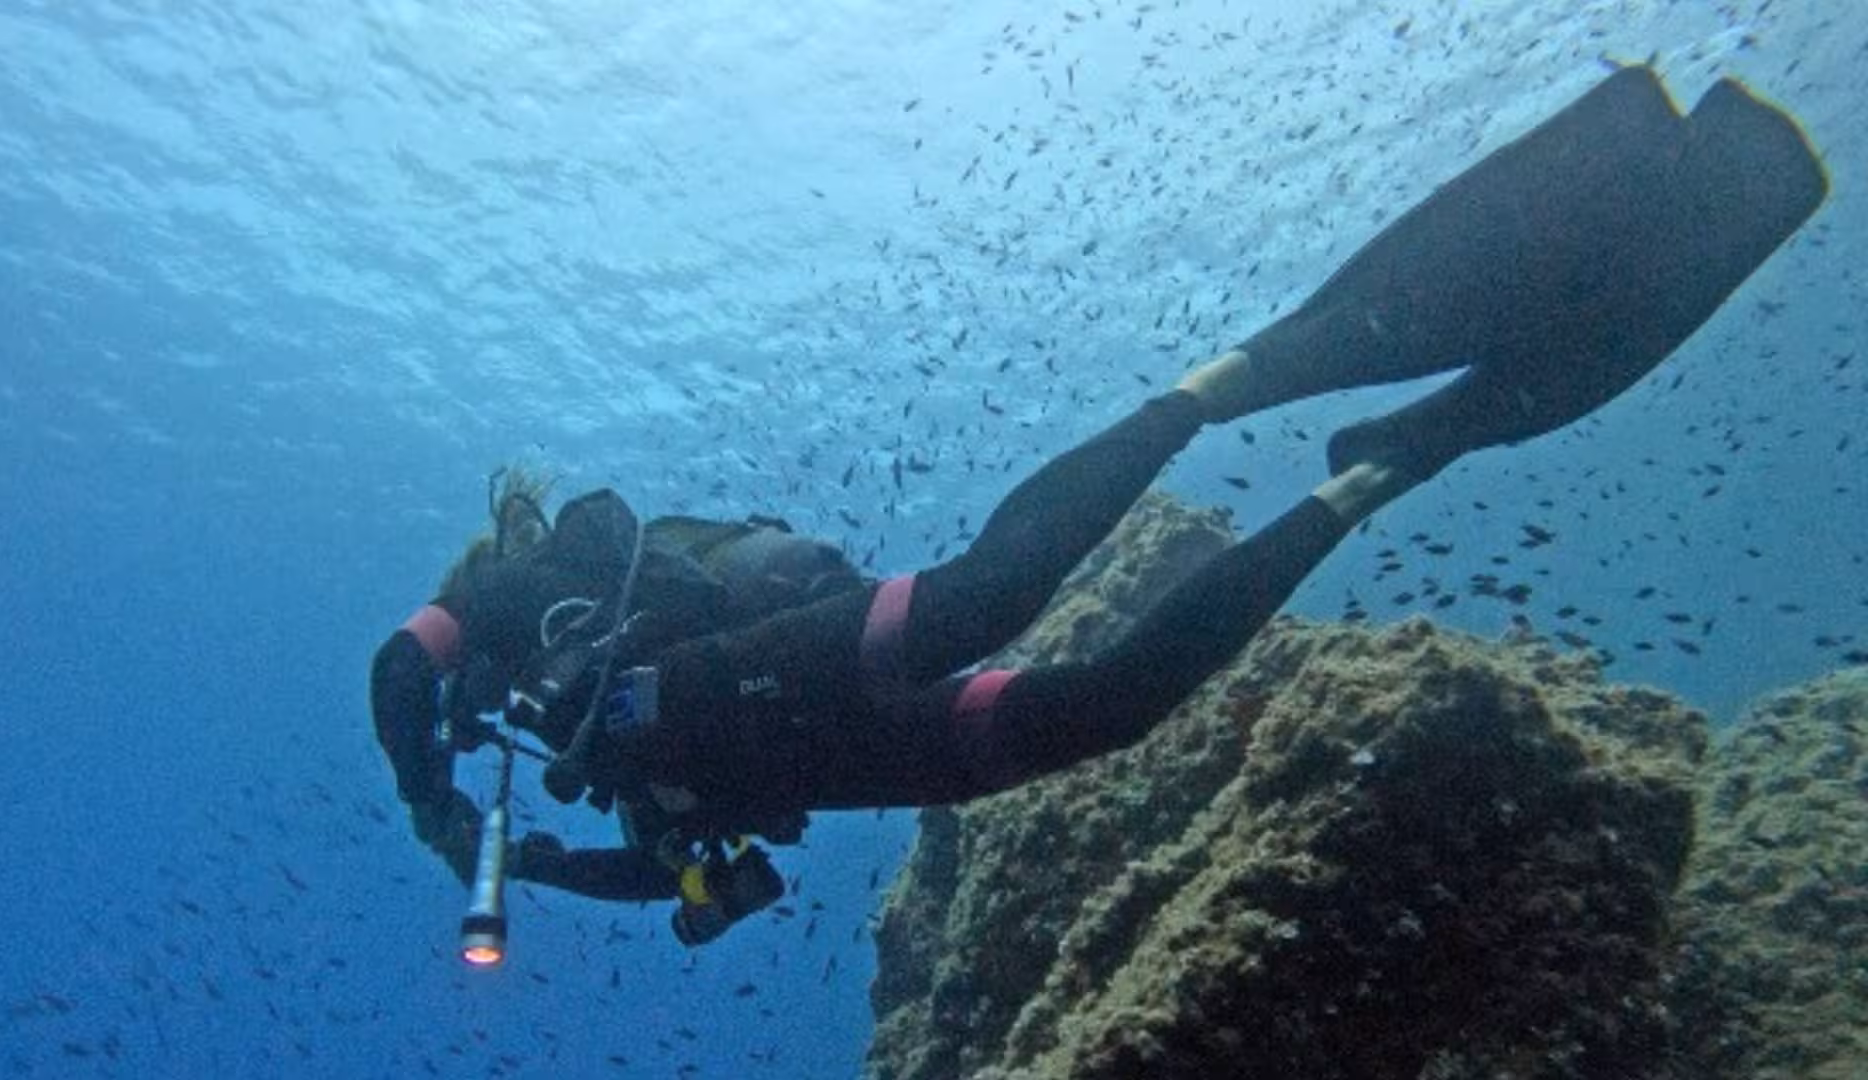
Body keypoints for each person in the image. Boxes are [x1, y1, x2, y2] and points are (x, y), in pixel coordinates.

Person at [371, 67, 1826, 944]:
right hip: (833, 752)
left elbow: (399, 666)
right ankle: (1382, 472)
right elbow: (665, 884)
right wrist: (523, 865)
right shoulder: (602, 778)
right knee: (1113, 703)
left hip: (757, 659)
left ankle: (1219, 383)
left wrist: (422, 781)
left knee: (995, 595)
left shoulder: (515, 595)